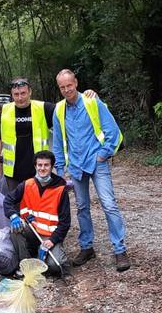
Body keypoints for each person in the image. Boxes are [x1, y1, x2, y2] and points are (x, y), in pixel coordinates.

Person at [52, 69, 130, 272]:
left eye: (69, 85)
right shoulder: (59, 110)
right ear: (59, 88)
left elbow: (112, 131)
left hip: (97, 162)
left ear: (76, 82)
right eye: (62, 87)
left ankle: (119, 249)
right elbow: (58, 143)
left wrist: (103, 154)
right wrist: (60, 170)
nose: (67, 89)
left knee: (109, 204)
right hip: (76, 166)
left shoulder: (92, 101)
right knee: (82, 207)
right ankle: (87, 247)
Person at [0, 78, 97, 192]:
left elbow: (67, 108)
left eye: (23, 93)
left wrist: (85, 96)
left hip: (38, 170)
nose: (20, 98)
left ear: (30, 92)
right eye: (16, 94)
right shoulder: (6, 110)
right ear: (12, 95)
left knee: (38, 206)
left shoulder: (43, 108)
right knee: (17, 206)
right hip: (13, 173)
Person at [3, 150, 69, 275]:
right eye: (39, 165)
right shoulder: (27, 184)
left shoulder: (60, 189)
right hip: (32, 230)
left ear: (51, 166)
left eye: (46, 165)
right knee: (15, 228)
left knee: (55, 266)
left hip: (50, 236)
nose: (42, 168)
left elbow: (65, 222)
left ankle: (45, 252)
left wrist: (52, 241)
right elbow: (8, 201)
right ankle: (27, 264)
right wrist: (13, 215)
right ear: (35, 166)